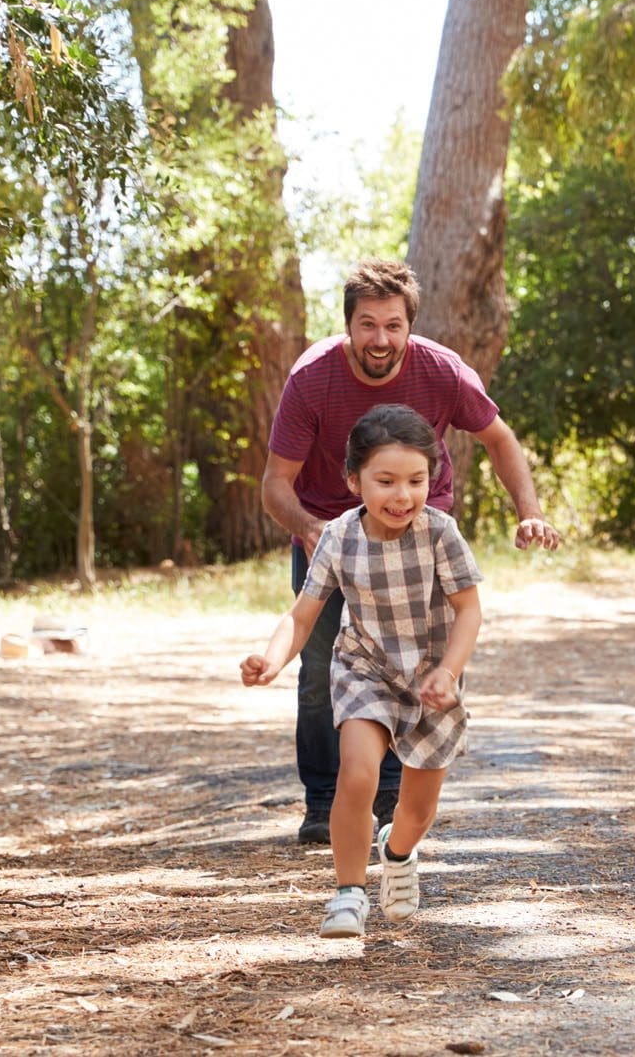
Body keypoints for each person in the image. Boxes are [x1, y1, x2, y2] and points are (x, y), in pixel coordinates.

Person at [263, 259, 560, 846]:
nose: (381, 339)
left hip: (419, 534)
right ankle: (325, 801)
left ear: (410, 326)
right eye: (368, 324)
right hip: (332, 531)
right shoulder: (312, 377)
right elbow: (275, 481)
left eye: (393, 325)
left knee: (417, 662)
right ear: (348, 325)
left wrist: (529, 509)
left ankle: (392, 800)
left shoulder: (441, 370)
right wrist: (309, 525)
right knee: (321, 669)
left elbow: (500, 439)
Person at [242, 405, 483, 938]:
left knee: (416, 811)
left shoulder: (441, 533)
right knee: (356, 772)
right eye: (386, 481)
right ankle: (348, 893)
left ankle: (396, 853)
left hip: (430, 680)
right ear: (354, 481)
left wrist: (448, 670)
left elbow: (469, 610)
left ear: (432, 479)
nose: (402, 495)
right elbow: (302, 615)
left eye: (416, 480)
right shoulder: (337, 537)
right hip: (364, 667)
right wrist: (272, 659)